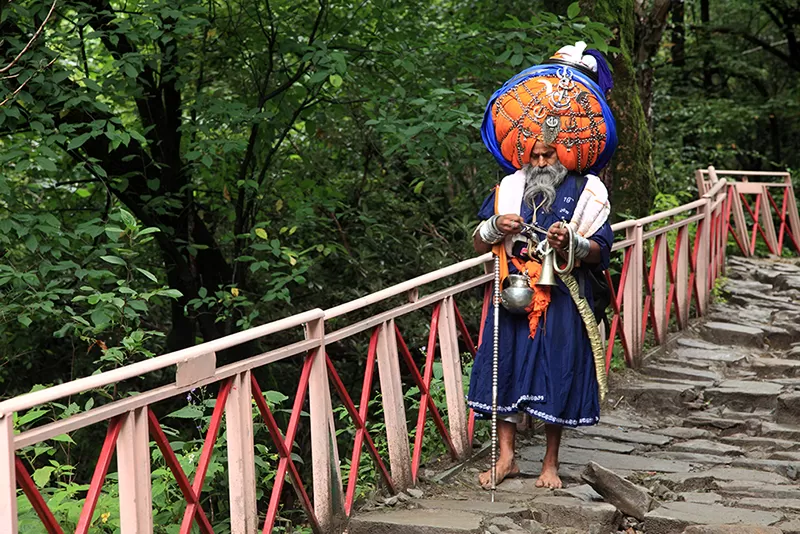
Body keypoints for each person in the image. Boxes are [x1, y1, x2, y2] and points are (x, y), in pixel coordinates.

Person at [468, 41, 618, 490]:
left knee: (558, 372)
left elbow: (602, 249)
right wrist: (494, 226)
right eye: (533, 156)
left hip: (564, 296)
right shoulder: (510, 187)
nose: (539, 163)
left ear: (563, 155)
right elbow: (476, 242)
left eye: (547, 156)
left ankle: (550, 463)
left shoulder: (587, 191)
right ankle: (507, 459)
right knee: (506, 368)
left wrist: (572, 240)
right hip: (512, 291)